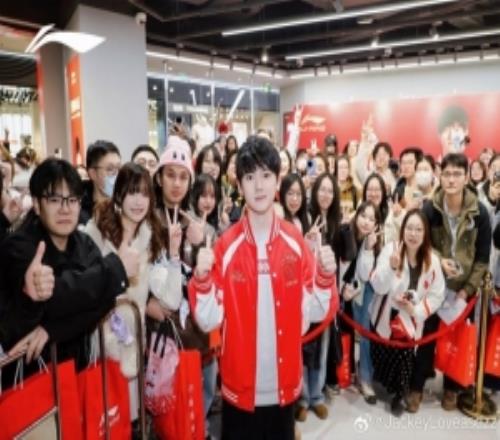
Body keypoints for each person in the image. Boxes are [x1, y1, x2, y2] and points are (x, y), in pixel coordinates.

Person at [188, 136, 338, 440]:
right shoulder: (225, 246)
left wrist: (324, 275)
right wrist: (201, 279)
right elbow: (207, 319)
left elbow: (316, 311)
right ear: (239, 184)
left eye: (266, 175)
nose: (258, 186)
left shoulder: (294, 242)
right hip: (238, 390)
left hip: (285, 387)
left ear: (278, 181)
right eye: (249, 177)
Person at [0, 158, 137, 389]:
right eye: (54, 200)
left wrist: (54, 330)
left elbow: (104, 300)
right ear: (36, 204)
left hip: (78, 372)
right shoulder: (18, 247)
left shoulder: (84, 243)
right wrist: (114, 270)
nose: (65, 209)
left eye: (72, 200)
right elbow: (55, 298)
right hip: (31, 380)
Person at [420, 153, 491, 411]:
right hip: (434, 285)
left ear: (466, 177)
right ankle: (417, 386)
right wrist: (439, 261)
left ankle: (451, 389)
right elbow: (423, 244)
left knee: (458, 340)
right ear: (440, 176)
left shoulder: (479, 212)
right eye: (447, 174)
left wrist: (467, 290)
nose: (451, 180)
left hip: (463, 289)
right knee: (427, 336)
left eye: (457, 174)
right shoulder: (430, 208)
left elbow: (482, 258)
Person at [368, 209, 445, 416]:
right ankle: (388, 387)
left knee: (404, 358)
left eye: (419, 229)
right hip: (387, 315)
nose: (413, 234)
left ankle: (399, 394)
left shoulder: (432, 260)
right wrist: (391, 267)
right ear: (402, 230)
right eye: (409, 228)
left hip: (411, 320)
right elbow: (377, 286)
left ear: (425, 233)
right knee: (385, 355)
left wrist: (416, 310)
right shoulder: (391, 250)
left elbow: (437, 294)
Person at [341, 201, 382, 404]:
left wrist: (368, 248)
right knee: (342, 331)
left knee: (365, 332)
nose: (366, 222)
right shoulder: (345, 232)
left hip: (362, 290)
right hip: (341, 289)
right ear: (356, 215)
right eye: (363, 216)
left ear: (376, 223)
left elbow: (365, 275)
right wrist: (342, 289)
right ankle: (343, 373)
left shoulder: (372, 241)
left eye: (371, 219)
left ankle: (365, 377)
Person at [80, 140, 122, 224]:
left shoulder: (125, 206)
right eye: (110, 169)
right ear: (92, 173)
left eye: (119, 168)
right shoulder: (80, 210)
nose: (117, 175)